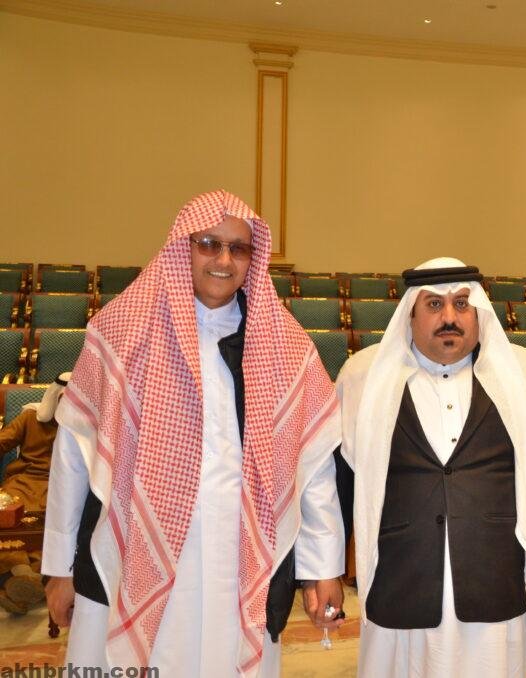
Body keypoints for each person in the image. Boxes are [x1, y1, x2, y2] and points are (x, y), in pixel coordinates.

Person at [41, 190, 345, 677]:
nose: (224, 260)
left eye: (238, 248)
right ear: (182, 247)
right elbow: (73, 458)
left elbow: (314, 469)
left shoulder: (284, 345)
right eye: (209, 244)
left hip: (240, 557)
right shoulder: (121, 330)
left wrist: (323, 566)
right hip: (130, 552)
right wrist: (59, 568)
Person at [336, 257, 526, 678]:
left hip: (493, 583)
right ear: (410, 314)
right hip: (400, 583)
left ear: (478, 313)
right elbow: (339, 483)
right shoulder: (365, 379)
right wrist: (324, 572)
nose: (450, 317)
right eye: (434, 304)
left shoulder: (523, 378)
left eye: (462, 304)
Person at [0, 373, 68, 511]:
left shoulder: (86, 426)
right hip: (24, 480)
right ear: (55, 398)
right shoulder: (31, 417)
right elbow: (3, 441)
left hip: (65, 483)